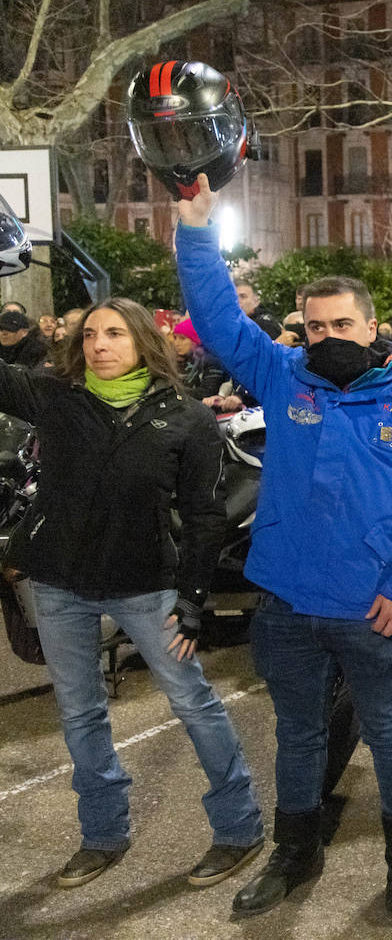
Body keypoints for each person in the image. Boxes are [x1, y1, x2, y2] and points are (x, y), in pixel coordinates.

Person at [173, 174, 392, 919]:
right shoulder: (285, 378)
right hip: (286, 605)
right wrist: (196, 230)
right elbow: (215, 318)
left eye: (341, 325)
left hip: (373, 612)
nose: (325, 338)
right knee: (299, 736)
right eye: (314, 327)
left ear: (373, 329)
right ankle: (294, 851)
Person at [0, 298, 263, 888]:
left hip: (147, 590)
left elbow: (203, 516)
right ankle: (102, 835)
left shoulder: (188, 417)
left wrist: (193, 599)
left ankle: (239, 828)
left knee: (194, 704)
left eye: (114, 333)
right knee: (80, 712)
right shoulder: (56, 398)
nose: (98, 344)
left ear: (144, 341)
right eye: (90, 333)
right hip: (59, 584)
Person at [170, 317, 230, 403]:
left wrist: (174, 392)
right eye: (175, 338)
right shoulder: (179, 361)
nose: (177, 343)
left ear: (195, 340)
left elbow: (207, 391)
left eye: (182, 338)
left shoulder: (211, 361)